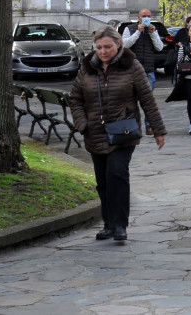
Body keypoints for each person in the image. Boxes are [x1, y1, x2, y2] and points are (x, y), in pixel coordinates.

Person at [69, 25, 166, 243]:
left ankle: (120, 225)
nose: (103, 51)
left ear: (118, 44)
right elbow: (75, 98)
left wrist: (158, 130)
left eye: (108, 47)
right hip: (94, 132)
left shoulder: (132, 66)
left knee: (117, 174)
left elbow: (147, 99)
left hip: (123, 132)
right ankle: (108, 224)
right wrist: (82, 123)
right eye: (99, 47)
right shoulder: (87, 68)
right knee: (103, 180)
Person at [122, 8, 164, 135]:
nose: (147, 18)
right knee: (131, 101)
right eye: (144, 16)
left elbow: (160, 47)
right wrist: (138, 32)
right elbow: (124, 45)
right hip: (132, 71)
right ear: (138, 17)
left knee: (148, 101)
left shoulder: (153, 29)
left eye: (149, 16)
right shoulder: (129, 28)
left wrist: (153, 33)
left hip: (149, 70)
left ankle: (149, 126)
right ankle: (132, 126)